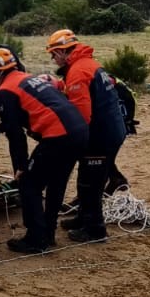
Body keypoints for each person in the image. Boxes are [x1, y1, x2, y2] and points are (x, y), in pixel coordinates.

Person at [0, 48, 88, 255]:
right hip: (78, 130)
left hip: (58, 135)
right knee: (57, 182)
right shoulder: (27, 79)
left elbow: (15, 133)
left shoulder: (6, 91)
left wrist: (19, 166)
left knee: (29, 183)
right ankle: (49, 232)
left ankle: (36, 238)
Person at [45, 29, 128, 245]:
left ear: (64, 52)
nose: (53, 59)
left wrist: (69, 141)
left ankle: (95, 230)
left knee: (91, 183)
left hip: (101, 134)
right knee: (89, 178)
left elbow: (81, 116)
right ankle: (83, 218)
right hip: (110, 129)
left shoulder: (77, 72)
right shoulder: (87, 64)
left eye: (54, 54)